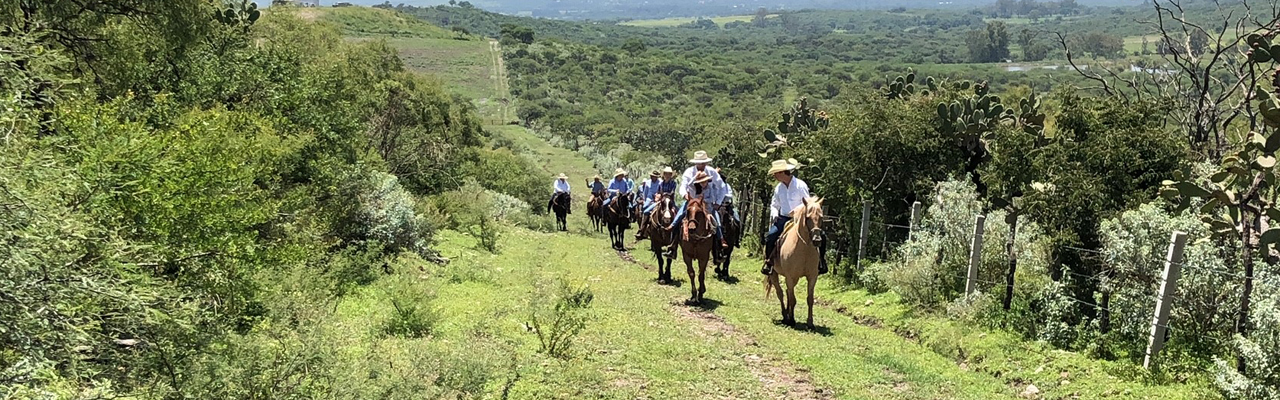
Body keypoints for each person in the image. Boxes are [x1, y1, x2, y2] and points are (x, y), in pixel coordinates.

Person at [761, 159, 827, 276]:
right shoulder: (778, 188)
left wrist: (797, 211)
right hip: (783, 218)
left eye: (776, 173)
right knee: (771, 236)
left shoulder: (800, 185)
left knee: (822, 236)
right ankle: (769, 262)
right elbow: (775, 204)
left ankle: (821, 262)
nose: (775, 176)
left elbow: (809, 203)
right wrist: (775, 214)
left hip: (800, 219)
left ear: (783, 172)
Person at [666, 151, 728, 263]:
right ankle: (672, 245)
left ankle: (719, 246)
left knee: (716, 221)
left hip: (706, 205)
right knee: (680, 215)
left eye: (703, 163)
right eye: (699, 163)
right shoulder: (689, 172)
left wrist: (718, 202)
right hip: (691, 201)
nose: (701, 165)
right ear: (696, 163)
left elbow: (722, 187)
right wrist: (685, 194)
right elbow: (684, 186)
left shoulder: (712, 172)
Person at [635, 170, 663, 239]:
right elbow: (645, 193)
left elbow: (661, 192)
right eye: (652, 176)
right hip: (649, 199)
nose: (653, 177)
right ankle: (642, 229)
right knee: (644, 208)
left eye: (654, 176)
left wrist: (657, 198)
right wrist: (645, 200)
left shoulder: (660, 183)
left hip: (657, 199)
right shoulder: (647, 183)